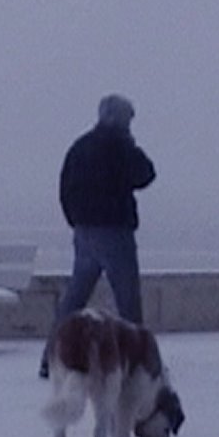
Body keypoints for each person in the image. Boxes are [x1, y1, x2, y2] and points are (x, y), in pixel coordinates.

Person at [39, 93, 156, 378]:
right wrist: (131, 145)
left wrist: (76, 222)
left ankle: (50, 359)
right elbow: (146, 174)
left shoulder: (79, 147)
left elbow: (64, 189)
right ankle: (137, 361)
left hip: (84, 233)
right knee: (128, 300)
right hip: (114, 232)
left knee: (73, 300)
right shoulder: (119, 146)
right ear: (119, 119)